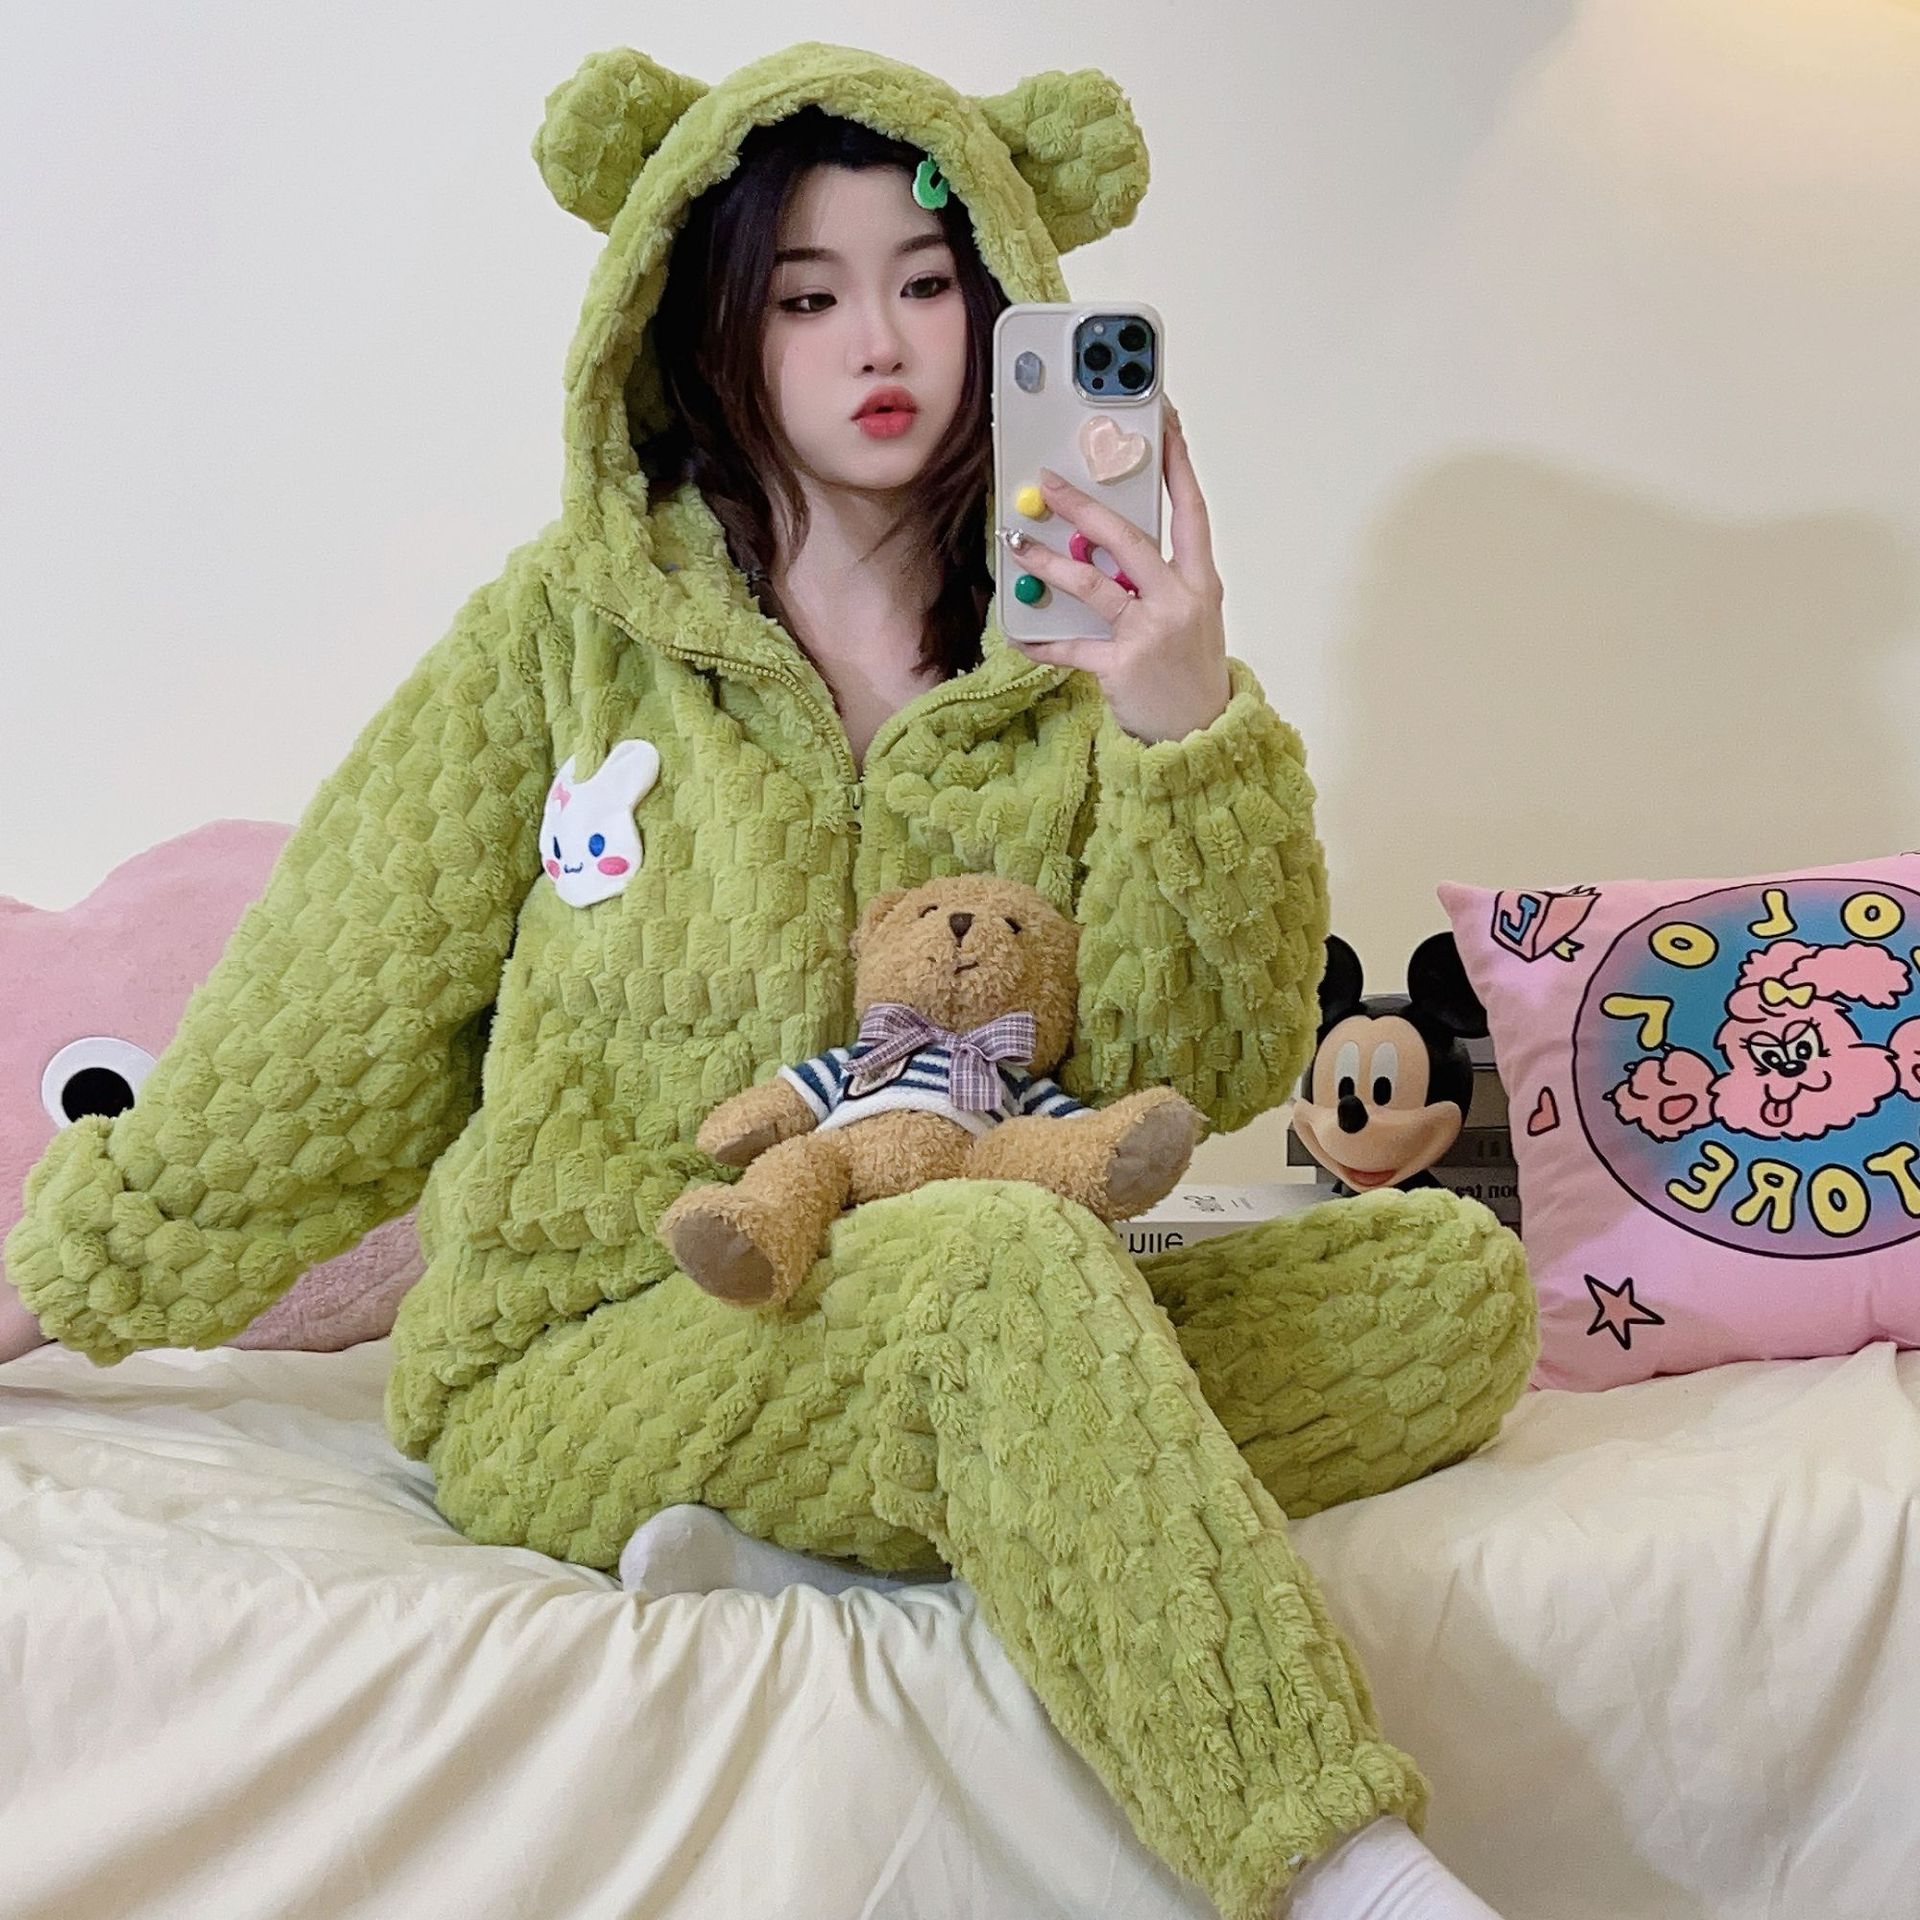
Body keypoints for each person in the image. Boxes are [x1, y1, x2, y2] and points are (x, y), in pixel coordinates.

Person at [5, 44, 1535, 1920]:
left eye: (926, 283)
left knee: (1449, 1294)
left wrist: (1179, 722)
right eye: (807, 297)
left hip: (961, 1275)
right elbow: (332, 1019)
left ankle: (848, 1514)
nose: (875, 342)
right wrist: (50, 1285)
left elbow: (1194, 1069)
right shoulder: (562, 640)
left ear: (1006, 311)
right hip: (591, 1344)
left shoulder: (1083, 657)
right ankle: (1339, 1871)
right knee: (999, 1270)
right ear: (706, 327)